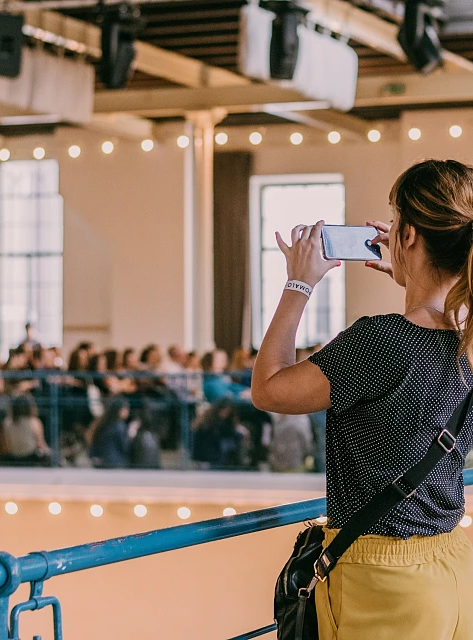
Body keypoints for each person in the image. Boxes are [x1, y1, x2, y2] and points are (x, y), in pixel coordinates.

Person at [251, 159, 473, 639]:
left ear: (409, 235)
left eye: (394, 221)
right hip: (453, 569)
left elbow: (268, 387)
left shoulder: (383, 341)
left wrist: (299, 282)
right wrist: (413, 276)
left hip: (384, 583)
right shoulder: (466, 338)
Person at [192, 398, 248, 469]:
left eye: (228, 411)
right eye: (224, 410)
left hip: (216, 450)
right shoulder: (208, 421)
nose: (225, 413)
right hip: (206, 453)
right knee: (224, 444)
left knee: (235, 440)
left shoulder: (226, 421)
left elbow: (229, 433)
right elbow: (214, 437)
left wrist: (240, 432)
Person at [2, 395, 50, 466]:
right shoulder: (34, 422)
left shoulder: (7, 422)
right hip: (30, 457)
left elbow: (7, 444)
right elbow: (41, 444)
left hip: (13, 457)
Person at [89, 396, 131, 468]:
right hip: (116, 464)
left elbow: (93, 447)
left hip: (102, 463)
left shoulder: (103, 424)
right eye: (126, 409)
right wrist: (131, 434)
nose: (128, 412)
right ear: (119, 410)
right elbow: (125, 448)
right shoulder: (119, 426)